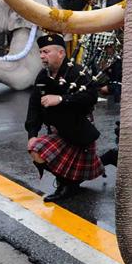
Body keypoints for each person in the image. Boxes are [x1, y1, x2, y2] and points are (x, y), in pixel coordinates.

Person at [25, 34, 103, 202]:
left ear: (61, 53)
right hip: (57, 130)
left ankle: (67, 186)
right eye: (40, 52)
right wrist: (32, 133)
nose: (42, 56)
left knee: (77, 168)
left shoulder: (77, 72)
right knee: (35, 149)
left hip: (78, 129)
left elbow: (91, 96)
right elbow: (34, 107)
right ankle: (68, 182)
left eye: (46, 52)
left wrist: (61, 99)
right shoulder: (42, 76)